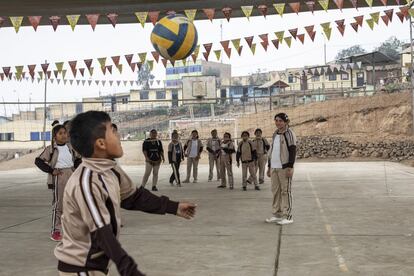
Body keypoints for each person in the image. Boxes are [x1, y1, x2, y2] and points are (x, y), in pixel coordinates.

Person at [54, 111, 197, 276]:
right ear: (101, 143)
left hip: (94, 266)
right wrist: (130, 271)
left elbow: (134, 198)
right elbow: (102, 232)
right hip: (80, 268)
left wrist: (174, 207)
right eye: (113, 131)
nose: (119, 135)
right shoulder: (87, 182)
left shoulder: (110, 169)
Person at [34, 123, 82, 241]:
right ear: (55, 136)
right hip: (59, 177)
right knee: (59, 204)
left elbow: (78, 159)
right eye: (60, 133)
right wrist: (51, 170)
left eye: (65, 133)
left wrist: (75, 169)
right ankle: (55, 231)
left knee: (73, 203)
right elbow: (38, 161)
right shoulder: (51, 149)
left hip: (71, 176)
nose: (64, 135)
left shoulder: (70, 147)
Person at [265, 113, 297, 225]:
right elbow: (272, 151)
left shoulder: (289, 134)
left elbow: (293, 150)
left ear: (286, 122)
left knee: (285, 191)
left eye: (280, 121)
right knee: (275, 191)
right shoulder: (275, 133)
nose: (278, 123)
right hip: (274, 167)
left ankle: (287, 216)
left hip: (284, 167)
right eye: (276, 120)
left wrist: (290, 166)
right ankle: (277, 214)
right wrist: (269, 166)